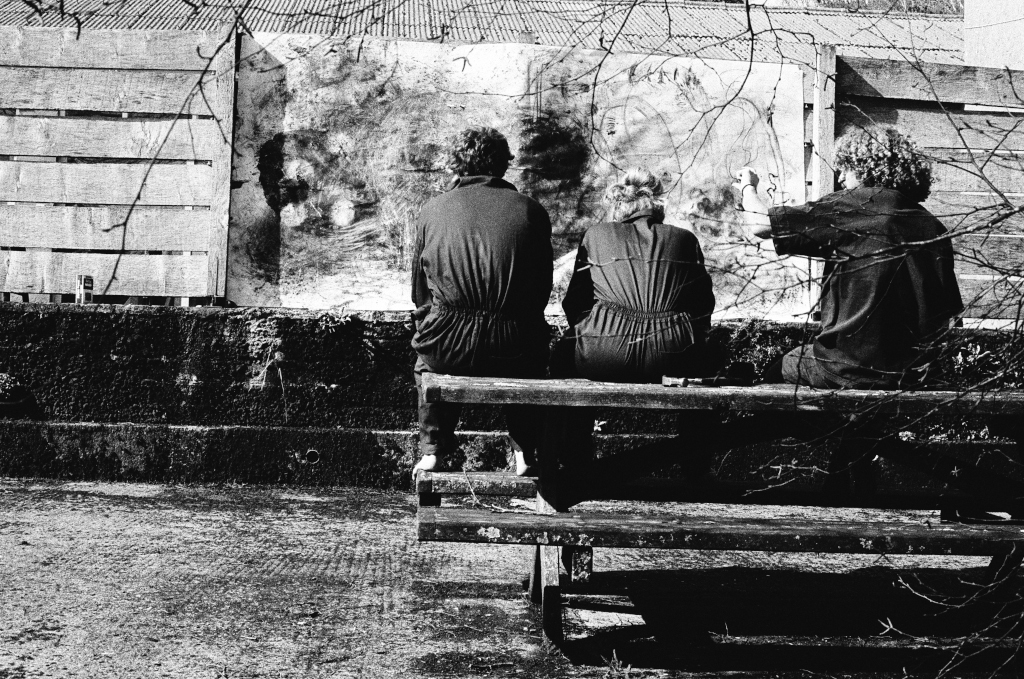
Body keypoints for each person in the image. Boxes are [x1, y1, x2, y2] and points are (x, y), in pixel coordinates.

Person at [735, 127, 963, 389]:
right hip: (907, 374)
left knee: (783, 367)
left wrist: (748, 187)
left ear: (865, 167)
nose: (841, 178)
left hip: (845, 367)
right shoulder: (932, 226)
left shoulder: (852, 206)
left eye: (845, 168)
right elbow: (945, 315)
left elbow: (761, 225)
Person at [410, 127, 553, 477]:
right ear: (502, 164)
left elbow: (420, 292)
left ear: (460, 163)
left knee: (427, 364)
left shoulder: (431, 210)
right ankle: (524, 451)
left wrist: (435, 323)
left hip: (447, 341)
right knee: (532, 364)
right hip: (513, 342)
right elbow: (540, 290)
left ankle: (433, 451)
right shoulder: (531, 210)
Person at [560, 168, 718, 383]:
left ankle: (572, 417)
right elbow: (702, 307)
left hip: (603, 352)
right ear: (658, 204)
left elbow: (575, 302)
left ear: (618, 204)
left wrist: (596, 329)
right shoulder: (685, 238)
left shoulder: (596, 234)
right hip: (674, 355)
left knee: (560, 354)